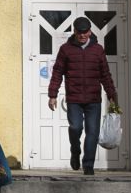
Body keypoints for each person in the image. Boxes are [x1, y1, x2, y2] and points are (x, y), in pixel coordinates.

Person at [47, 17, 119, 175]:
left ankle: (88, 166)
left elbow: (105, 74)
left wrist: (112, 94)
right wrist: (53, 95)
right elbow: (57, 72)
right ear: (74, 32)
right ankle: (75, 150)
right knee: (76, 127)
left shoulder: (98, 50)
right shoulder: (66, 49)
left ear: (90, 31)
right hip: (74, 99)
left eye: (85, 32)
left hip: (93, 99)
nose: (82, 35)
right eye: (79, 32)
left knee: (92, 132)